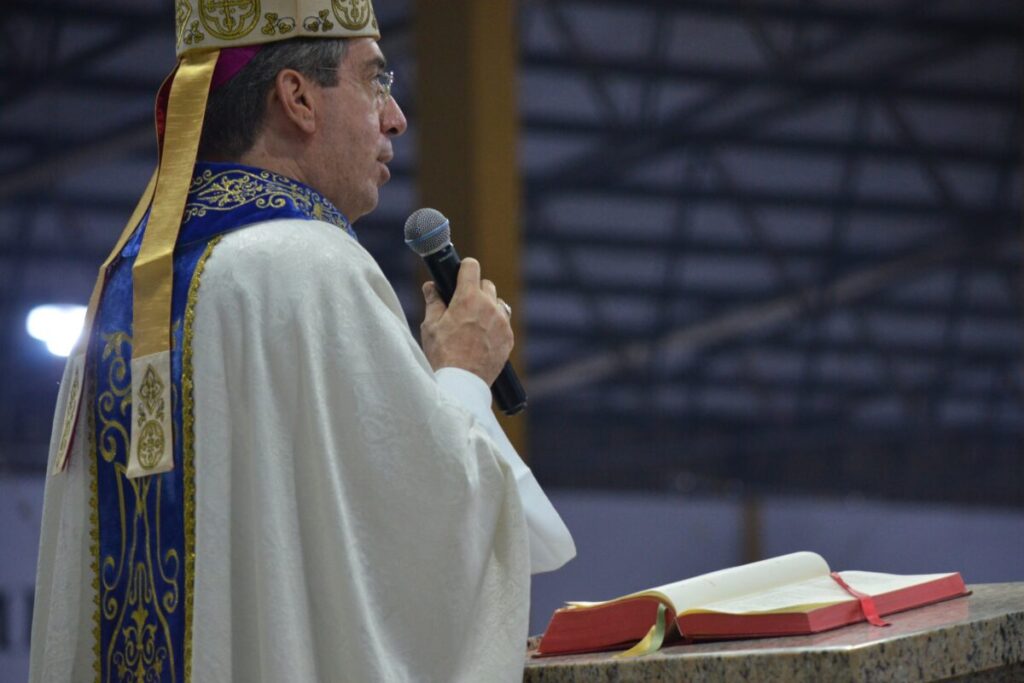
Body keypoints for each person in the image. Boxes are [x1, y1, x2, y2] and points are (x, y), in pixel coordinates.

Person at [29, 3, 575, 682]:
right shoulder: (309, 268)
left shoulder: (119, 299)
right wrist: (462, 371)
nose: (395, 116)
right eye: (375, 80)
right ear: (297, 98)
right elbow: (424, 555)